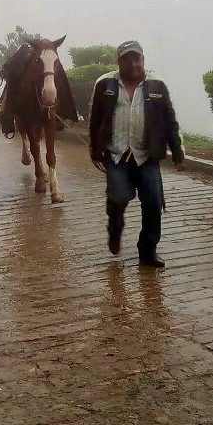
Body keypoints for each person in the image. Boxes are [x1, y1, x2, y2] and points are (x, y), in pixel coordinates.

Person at [88, 40, 185, 268]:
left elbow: (169, 121)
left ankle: (148, 250)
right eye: (127, 59)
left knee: (153, 201)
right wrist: (94, 147)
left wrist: (178, 152)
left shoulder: (157, 86)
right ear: (118, 62)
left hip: (147, 155)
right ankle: (115, 226)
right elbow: (96, 119)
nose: (133, 64)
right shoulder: (105, 84)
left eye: (137, 59)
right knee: (119, 196)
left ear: (143, 59)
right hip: (116, 154)